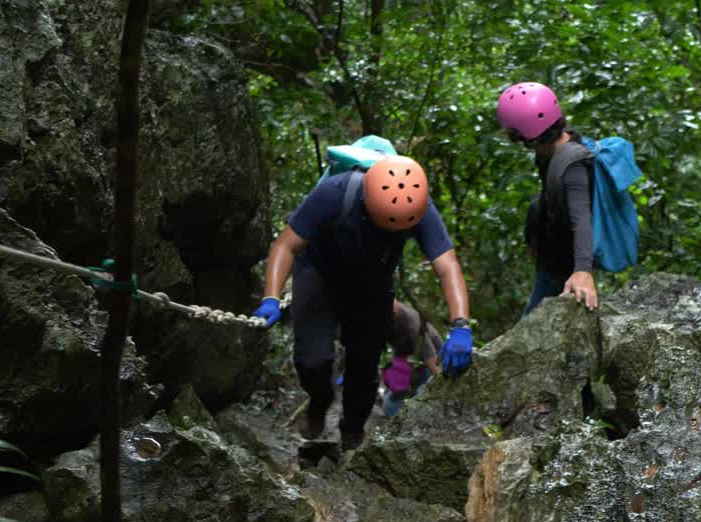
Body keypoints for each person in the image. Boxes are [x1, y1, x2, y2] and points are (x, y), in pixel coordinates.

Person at [252, 156, 473, 450]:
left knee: (364, 366)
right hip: (319, 274)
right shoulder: (334, 192)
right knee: (312, 360)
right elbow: (286, 244)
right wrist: (271, 297)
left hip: (373, 283)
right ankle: (319, 401)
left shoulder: (418, 206)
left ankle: (353, 431)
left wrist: (460, 325)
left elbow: (447, 265)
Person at [496, 81, 599, 316]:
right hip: (550, 252)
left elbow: (581, 218)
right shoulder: (551, 153)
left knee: (530, 324)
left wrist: (583, 270)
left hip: (562, 263)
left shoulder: (573, 164)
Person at [380, 298, 443, 417]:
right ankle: (393, 412)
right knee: (393, 396)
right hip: (404, 354)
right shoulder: (382, 317)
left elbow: (433, 363)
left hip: (427, 362)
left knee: (423, 394)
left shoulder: (412, 324)